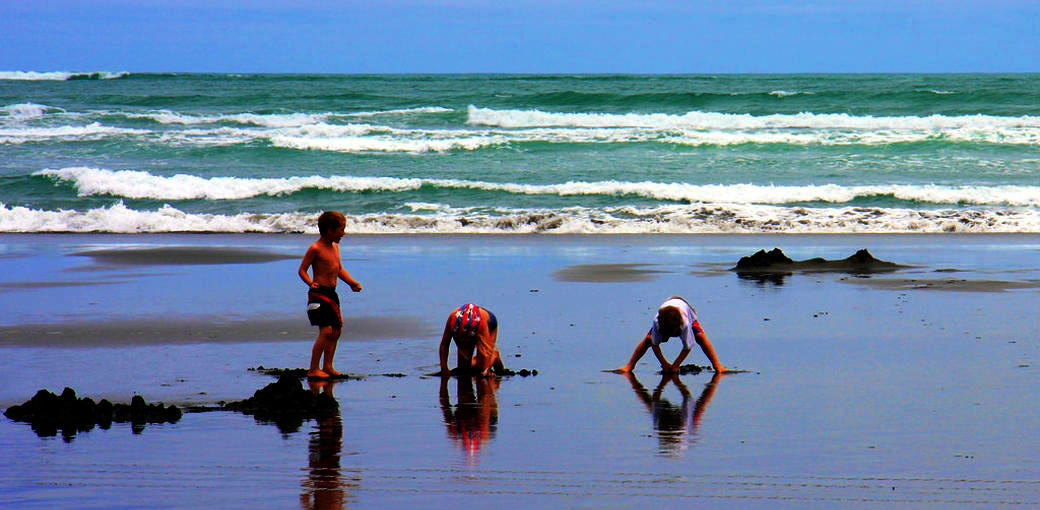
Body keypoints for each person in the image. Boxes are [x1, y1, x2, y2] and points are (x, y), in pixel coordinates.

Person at [298, 211, 362, 379]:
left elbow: (338, 269)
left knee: (336, 331)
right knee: (325, 331)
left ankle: (328, 366)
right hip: (318, 294)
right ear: (329, 230)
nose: (344, 233)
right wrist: (310, 282)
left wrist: (351, 282)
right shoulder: (315, 248)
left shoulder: (335, 247)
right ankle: (313, 369)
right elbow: (302, 270)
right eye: (341, 230)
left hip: (332, 294)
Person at [616, 296, 725, 374]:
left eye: (673, 333)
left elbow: (687, 347)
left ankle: (717, 365)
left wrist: (676, 365)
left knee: (700, 337)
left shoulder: (685, 324)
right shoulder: (657, 322)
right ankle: (630, 365)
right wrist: (664, 363)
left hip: (685, 309)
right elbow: (654, 344)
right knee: (648, 339)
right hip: (666, 311)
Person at [438, 303, 504, 377]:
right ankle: (477, 360)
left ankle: (494, 355)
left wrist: (486, 369)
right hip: (466, 331)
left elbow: (486, 349)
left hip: (489, 324)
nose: (467, 343)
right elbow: (444, 345)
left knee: (481, 369)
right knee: (463, 368)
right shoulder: (452, 319)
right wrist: (444, 368)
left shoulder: (482, 324)